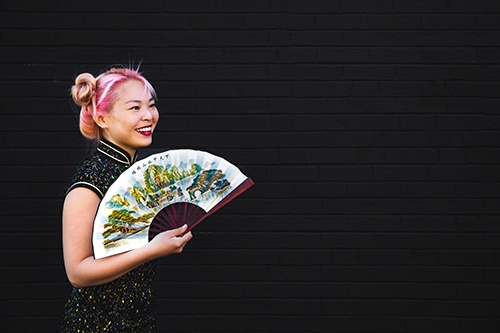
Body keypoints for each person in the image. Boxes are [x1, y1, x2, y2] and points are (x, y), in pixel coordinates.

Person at [60, 66, 192, 332]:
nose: (148, 116)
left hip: (141, 322)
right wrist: (151, 250)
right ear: (102, 117)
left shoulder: (139, 176)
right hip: (96, 326)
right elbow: (77, 272)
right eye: (134, 108)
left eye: (151, 106)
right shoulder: (90, 181)